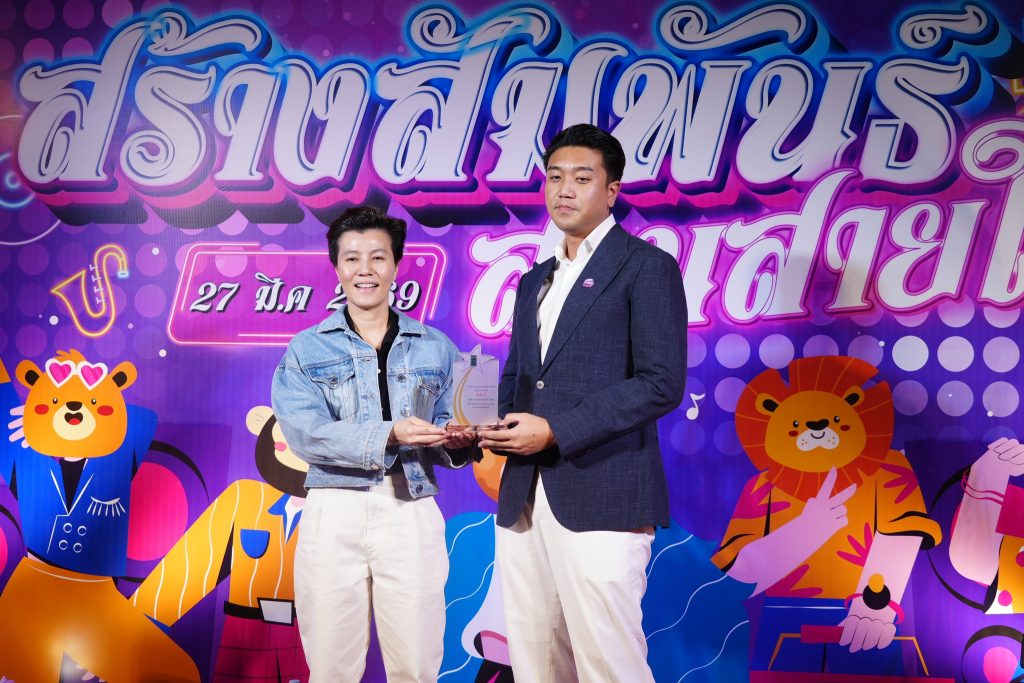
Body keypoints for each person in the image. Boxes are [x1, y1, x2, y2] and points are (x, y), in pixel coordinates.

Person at [478, 124, 688, 682]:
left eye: (581, 178)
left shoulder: (646, 266)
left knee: (608, 663)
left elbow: (660, 382)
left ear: (612, 190)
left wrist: (555, 430)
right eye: (554, 177)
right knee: (535, 661)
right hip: (524, 495)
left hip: (604, 493)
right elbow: (519, 378)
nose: (564, 189)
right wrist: (477, 429)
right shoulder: (534, 281)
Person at [271, 205, 477, 683]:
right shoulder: (306, 348)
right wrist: (389, 433)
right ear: (337, 268)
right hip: (333, 507)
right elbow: (304, 433)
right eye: (352, 258)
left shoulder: (436, 346)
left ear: (396, 266)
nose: (365, 270)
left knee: (416, 663)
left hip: (411, 507)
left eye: (378, 257)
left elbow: (450, 424)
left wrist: (459, 439)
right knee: (331, 666)